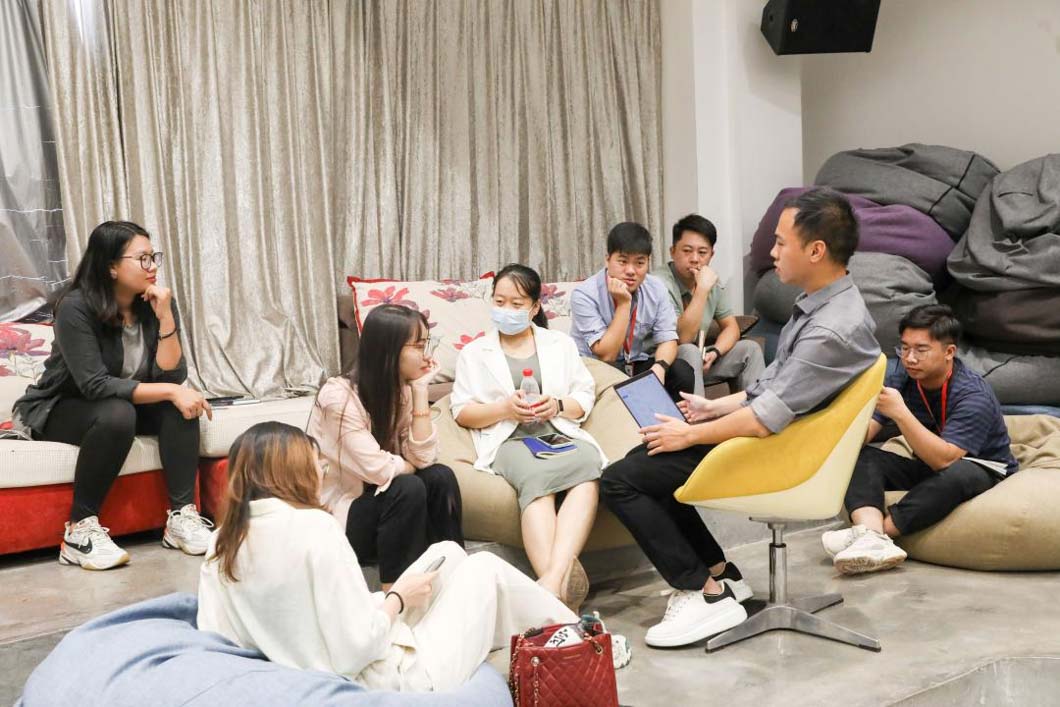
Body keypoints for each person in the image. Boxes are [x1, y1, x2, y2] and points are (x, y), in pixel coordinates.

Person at [600, 188, 881, 648]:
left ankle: (702, 593)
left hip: (780, 453)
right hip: (779, 437)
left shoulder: (831, 329)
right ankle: (722, 574)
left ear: (816, 250)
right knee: (644, 460)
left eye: (781, 242)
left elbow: (763, 419)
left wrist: (690, 434)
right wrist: (712, 407)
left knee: (620, 480)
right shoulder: (825, 305)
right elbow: (773, 389)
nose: (772, 253)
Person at [197, 422, 577, 692]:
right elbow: (355, 649)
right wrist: (396, 599)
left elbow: (216, 639)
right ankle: (582, 638)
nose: (321, 475)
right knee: (485, 568)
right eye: (318, 466)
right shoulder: (315, 528)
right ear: (293, 473)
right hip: (386, 681)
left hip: (308, 665)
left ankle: (537, 623)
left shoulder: (221, 544)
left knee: (445, 553)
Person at [12, 221, 214, 570]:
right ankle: (78, 531)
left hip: (120, 404)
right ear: (111, 267)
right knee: (120, 412)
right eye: (142, 258)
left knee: (180, 406)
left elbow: (172, 375)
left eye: (153, 257)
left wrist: (166, 317)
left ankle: (182, 518)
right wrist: (171, 390)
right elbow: (94, 384)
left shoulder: (155, 303)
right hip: (62, 407)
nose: (152, 267)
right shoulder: (75, 307)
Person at [451, 264, 606, 611]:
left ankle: (550, 585)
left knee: (588, 465)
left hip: (557, 432)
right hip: (510, 440)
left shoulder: (560, 344)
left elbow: (585, 394)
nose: (506, 310)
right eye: (499, 302)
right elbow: (461, 411)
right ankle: (561, 586)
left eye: (516, 304)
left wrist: (558, 405)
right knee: (537, 477)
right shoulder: (475, 353)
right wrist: (505, 409)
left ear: (535, 307)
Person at [823, 304, 1018, 575]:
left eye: (921, 350)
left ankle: (876, 535)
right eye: (904, 348)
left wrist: (900, 412)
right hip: (927, 463)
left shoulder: (973, 395)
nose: (910, 358)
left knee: (957, 474)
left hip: (980, 468)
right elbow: (870, 429)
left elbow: (944, 461)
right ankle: (869, 533)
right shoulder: (905, 376)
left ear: (949, 352)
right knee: (861, 455)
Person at [307, 304, 463, 589]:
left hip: (388, 508)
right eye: (418, 346)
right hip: (343, 518)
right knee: (407, 486)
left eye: (426, 344)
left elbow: (424, 458)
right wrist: (408, 466)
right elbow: (378, 470)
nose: (426, 355)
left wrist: (420, 391)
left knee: (440, 476)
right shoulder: (338, 396)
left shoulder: (402, 389)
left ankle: (456, 574)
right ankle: (395, 593)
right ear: (389, 350)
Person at [570, 221, 699, 401]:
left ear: (648, 262)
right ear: (608, 260)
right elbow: (607, 354)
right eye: (622, 261)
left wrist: (659, 367)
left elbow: (668, 339)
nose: (631, 271)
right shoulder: (585, 294)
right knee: (614, 371)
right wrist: (624, 304)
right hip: (595, 368)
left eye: (639, 262)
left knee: (681, 372)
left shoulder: (656, 288)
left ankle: (674, 419)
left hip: (634, 363)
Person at [652, 214, 765, 392]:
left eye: (702, 252)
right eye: (687, 251)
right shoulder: (659, 283)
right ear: (672, 251)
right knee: (689, 350)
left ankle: (755, 408)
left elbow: (731, 327)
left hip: (697, 360)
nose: (695, 258)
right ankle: (698, 410)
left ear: (711, 255)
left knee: (750, 349)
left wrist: (715, 352)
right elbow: (682, 338)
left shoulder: (709, 280)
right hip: (661, 363)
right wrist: (702, 291)